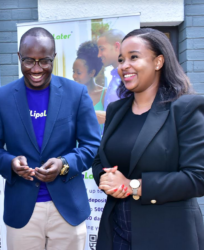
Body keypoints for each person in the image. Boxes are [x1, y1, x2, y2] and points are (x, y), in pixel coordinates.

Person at [0, 27, 101, 250]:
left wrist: (64, 165)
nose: (36, 69)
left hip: (67, 209)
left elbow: (91, 145)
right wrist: (11, 163)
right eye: (28, 61)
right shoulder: (0, 99)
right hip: (22, 210)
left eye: (44, 61)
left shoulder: (76, 94)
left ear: (54, 57)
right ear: (19, 57)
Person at [92, 28, 204, 250]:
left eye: (134, 57)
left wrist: (133, 186)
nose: (125, 66)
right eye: (122, 59)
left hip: (167, 235)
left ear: (158, 61)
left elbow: (197, 178)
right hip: (116, 232)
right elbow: (100, 161)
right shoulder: (116, 110)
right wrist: (106, 179)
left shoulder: (185, 108)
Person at [73, 41, 105, 129]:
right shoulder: (71, 95)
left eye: (78, 72)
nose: (74, 76)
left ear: (92, 73)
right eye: (73, 71)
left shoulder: (105, 94)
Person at [97, 29, 125, 112]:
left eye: (102, 49)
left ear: (117, 46)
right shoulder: (114, 76)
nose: (99, 55)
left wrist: (104, 117)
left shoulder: (129, 77)